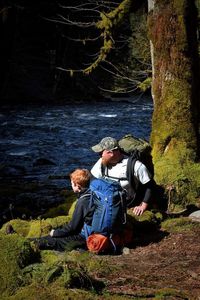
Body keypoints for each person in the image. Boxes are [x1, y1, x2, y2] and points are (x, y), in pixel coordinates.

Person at [30, 168, 94, 251]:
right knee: (49, 238)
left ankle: (25, 242)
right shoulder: (91, 195)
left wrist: (56, 233)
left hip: (83, 238)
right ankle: (25, 240)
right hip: (88, 234)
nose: (71, 185)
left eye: (71, 183)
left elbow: (73, 228)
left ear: (77, 185)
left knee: (53, 241)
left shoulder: (82, 202)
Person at [91, 137, 155, 216]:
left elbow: (150, 186)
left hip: (129, 203)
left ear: (110, 153)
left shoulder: (135, 166)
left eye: (101, 153)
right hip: (108, 201)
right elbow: (94, 181)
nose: (99, 155)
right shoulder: (102, 162)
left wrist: (143, 206)